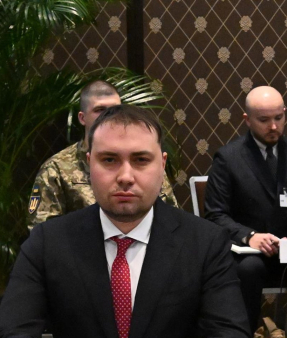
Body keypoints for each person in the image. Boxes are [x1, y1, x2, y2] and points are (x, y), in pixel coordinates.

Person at [0, 105, 253, 338]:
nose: (125, 176)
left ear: (162, 164)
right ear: (89, 164)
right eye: (109, 160)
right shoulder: (48, 242)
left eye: (141, 160)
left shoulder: (206, 241)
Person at [204, 86, 287, 333]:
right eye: (264, 120)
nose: (273, 126)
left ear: (285, 113)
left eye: (279, 118)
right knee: (249, 269)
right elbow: (215, 215)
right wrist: (250, 236)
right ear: (247, 120)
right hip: (248, 253)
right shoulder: (228, 158)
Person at [27, 80, 178, 231]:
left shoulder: (147, 163)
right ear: (82, 118)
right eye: (100, 110)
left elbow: (172, 220)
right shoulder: (56, 169)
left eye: (115, 110)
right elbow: (43, 232)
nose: (108, 116)